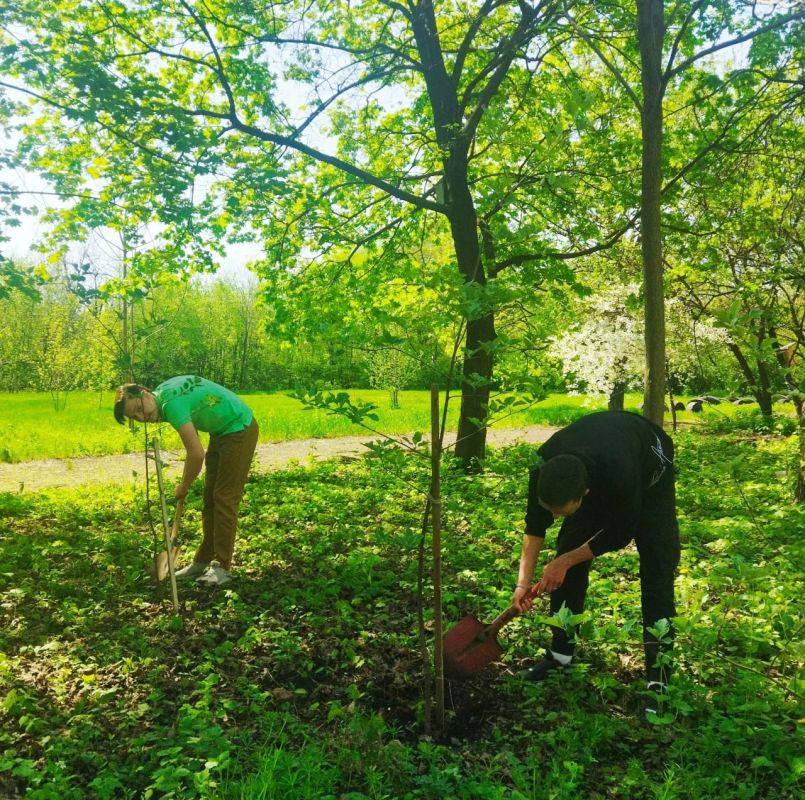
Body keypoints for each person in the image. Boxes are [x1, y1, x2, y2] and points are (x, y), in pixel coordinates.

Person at [512, 410, 679, 715]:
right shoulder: (543, 465)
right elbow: (534, 527)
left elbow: (619, 534)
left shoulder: (621, 473)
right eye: (553, 511)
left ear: (585, 495)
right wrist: (523, 583)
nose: (556, 518)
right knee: (567, 556)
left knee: (657, 569)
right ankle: (560, 654)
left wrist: (563, 561)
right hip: (600, 458)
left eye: (563, 512)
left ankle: (659, 680)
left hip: (649, 468)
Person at [114, 375, 259, 587]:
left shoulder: (171, 404)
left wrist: (184, 485)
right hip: (221, 432)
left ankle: (222, 567)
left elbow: (196, 453)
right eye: (135, 417)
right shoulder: (161, 396)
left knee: (224, 498)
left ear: (145, 394)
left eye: (138, 409)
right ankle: (202, 560)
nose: (142, 418)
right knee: (211, 499)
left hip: (240, 427)